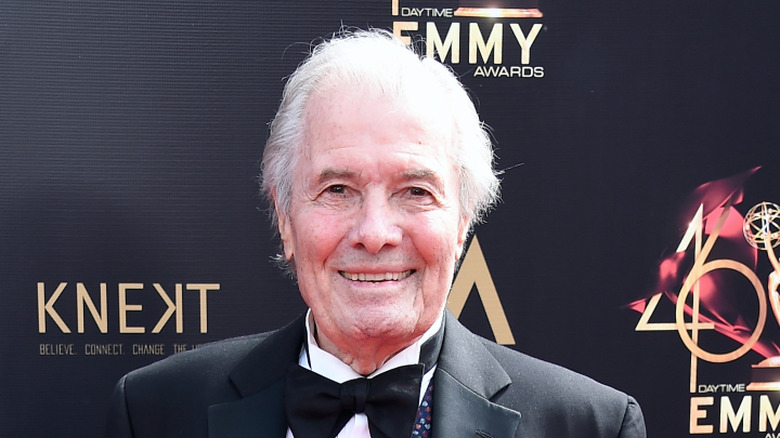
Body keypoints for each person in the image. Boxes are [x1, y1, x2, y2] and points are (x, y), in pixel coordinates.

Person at [105, 28, 646, 438]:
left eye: (415, 192)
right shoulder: (155, 411)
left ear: (462, 222)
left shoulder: (588, 425)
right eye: (338, 189)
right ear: (285, 216)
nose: (375, 233)